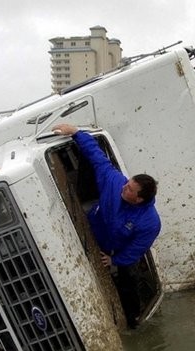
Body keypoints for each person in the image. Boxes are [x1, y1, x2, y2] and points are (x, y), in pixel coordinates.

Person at [52, 123, 161, 328]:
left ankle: (133, 321)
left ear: (139, 200)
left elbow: (134, 252)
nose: (124, 187)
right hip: (90, 224)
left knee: (128, 279)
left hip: (112, 249)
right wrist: (76, 132)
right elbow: (97, 157)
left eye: (129, 189)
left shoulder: (150, 223)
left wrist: (113, 260)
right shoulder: (115, 181)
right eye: (127, 183)